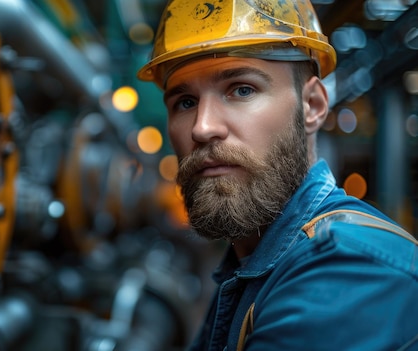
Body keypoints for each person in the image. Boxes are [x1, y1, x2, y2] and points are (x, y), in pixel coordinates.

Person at [137, 0, 418, 350]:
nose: (203, 127)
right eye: (185, 102)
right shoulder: (253, 263)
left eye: (241, 89)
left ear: (313, 106)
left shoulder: (349, 270)